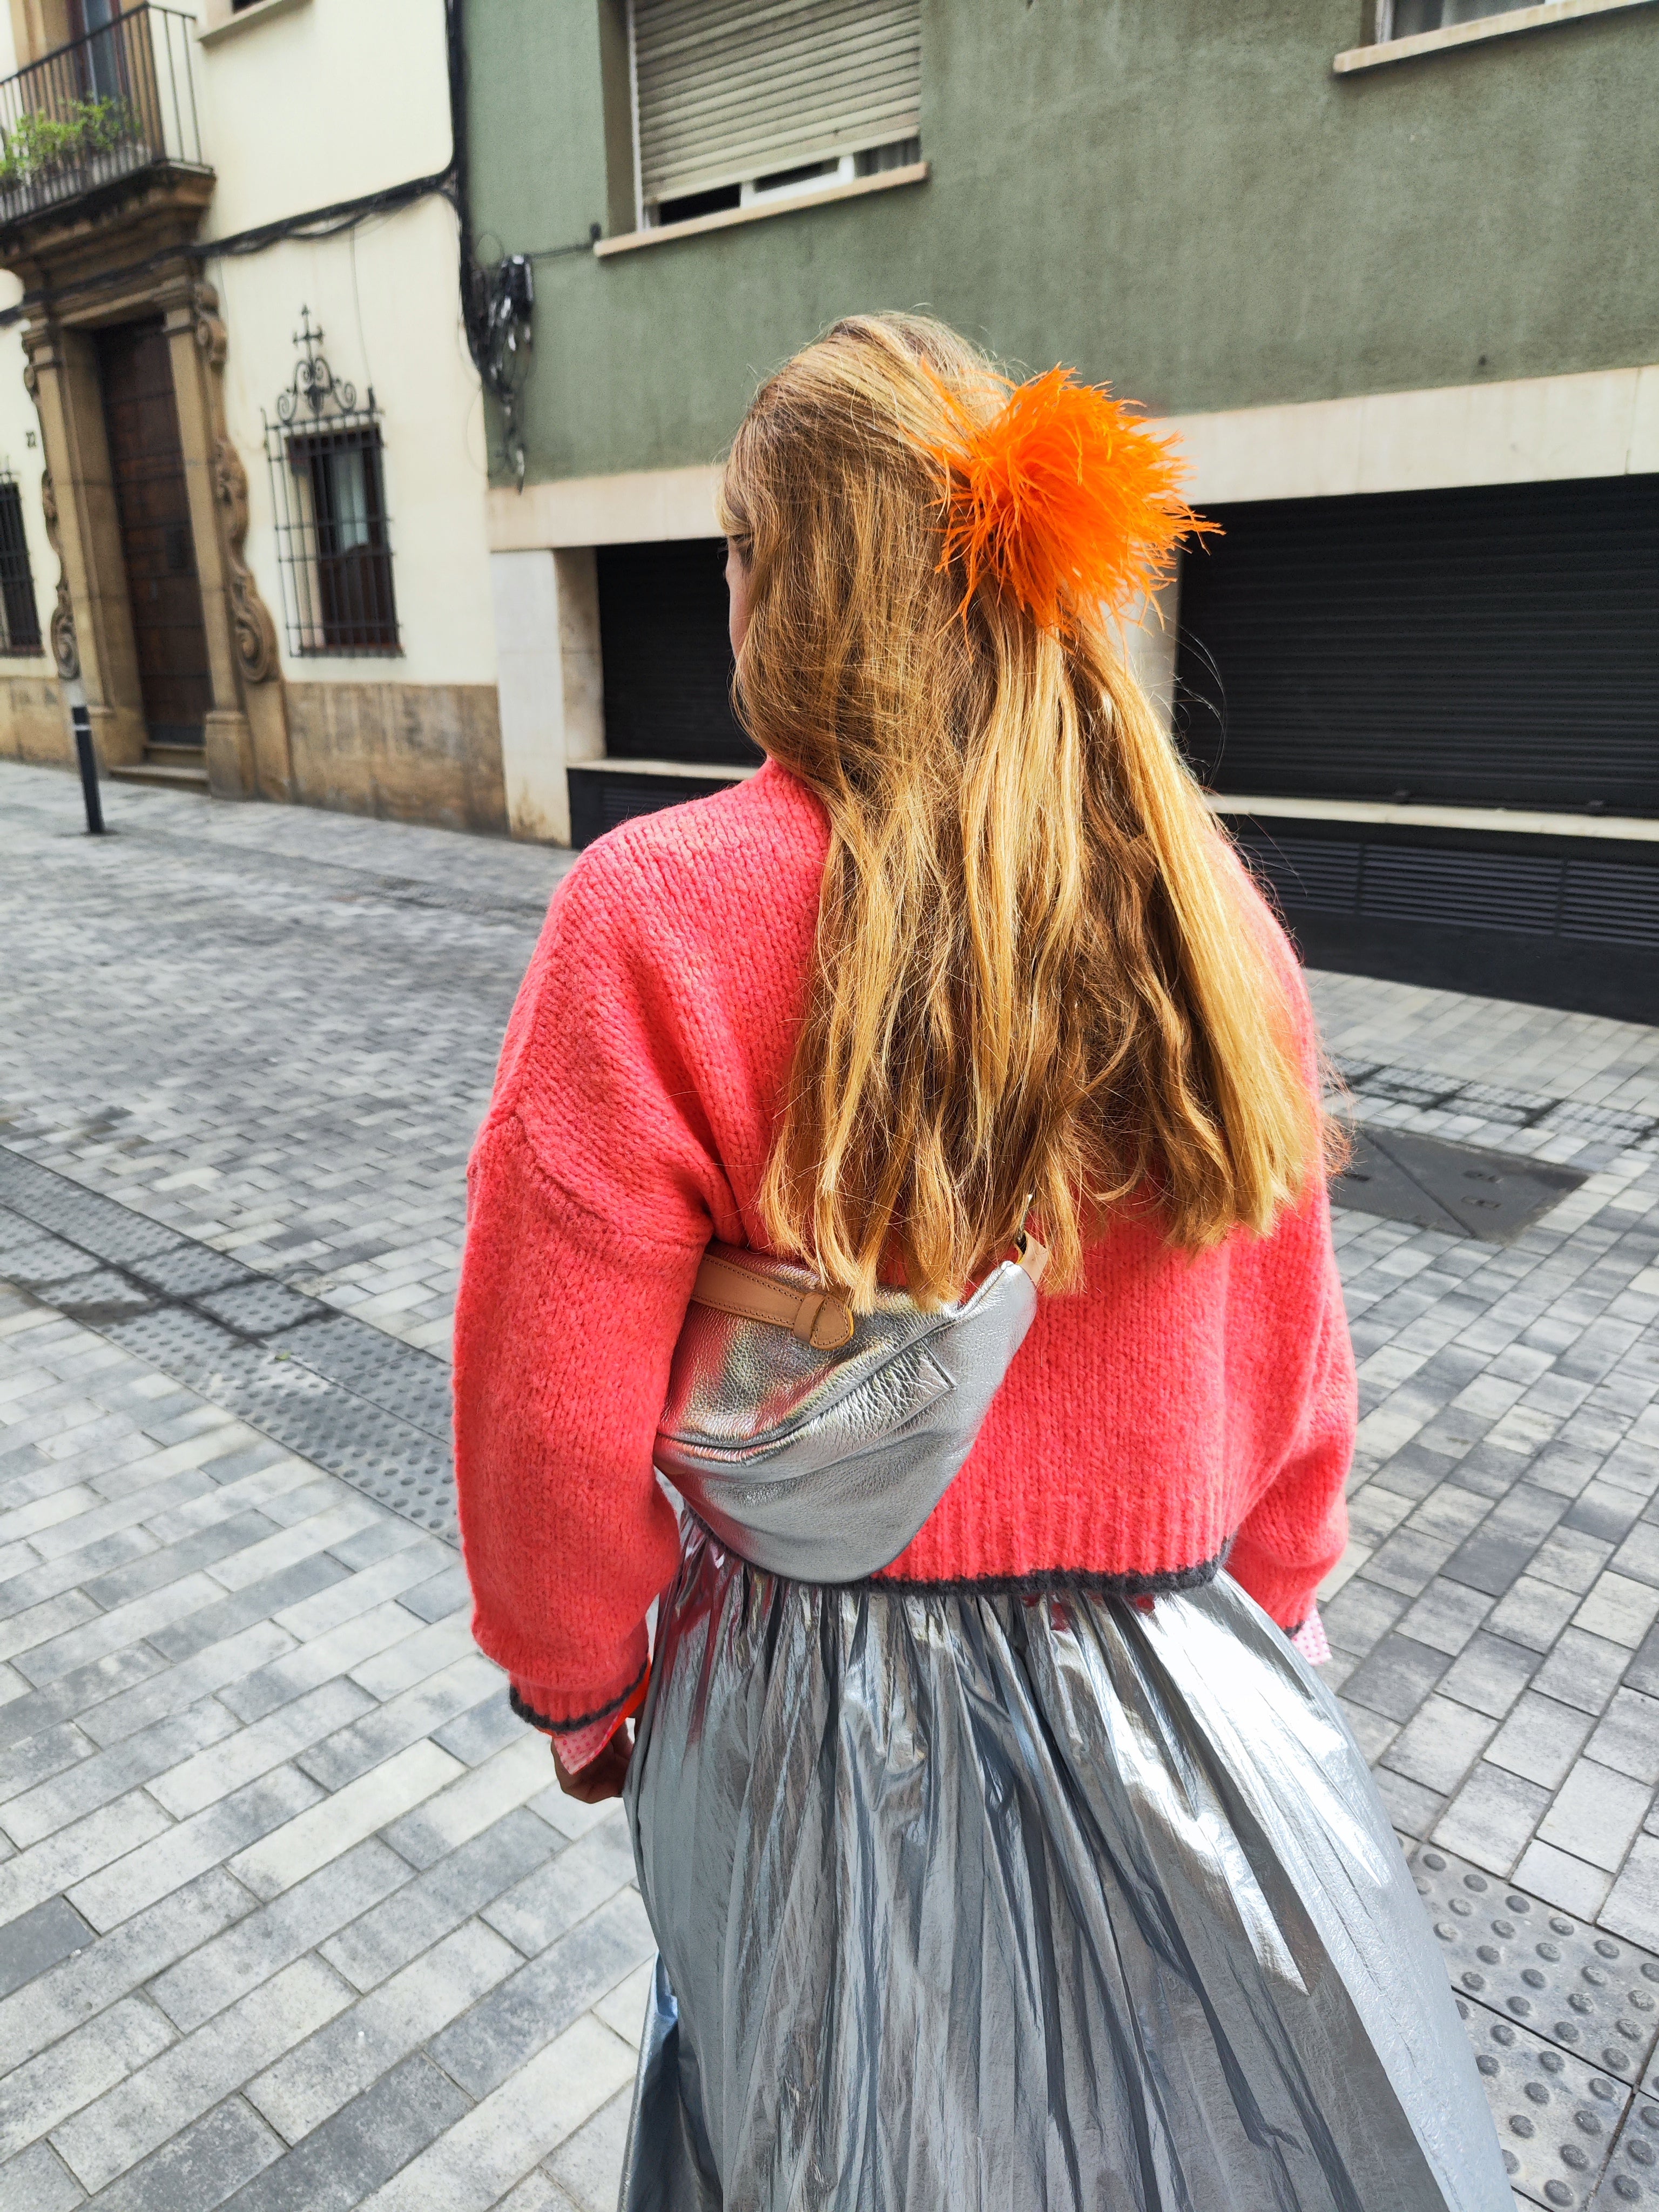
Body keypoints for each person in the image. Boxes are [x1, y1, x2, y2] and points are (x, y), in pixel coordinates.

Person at [453, 313, 1510, 2211]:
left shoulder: (656, 916)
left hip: (824, 1729)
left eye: (736, 550)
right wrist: (1269, 1613)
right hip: (1190, 1700)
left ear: (789, 574)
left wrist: (584, 1691)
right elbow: (1299, 1372)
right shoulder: (1204, 908)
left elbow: (545, 1421)